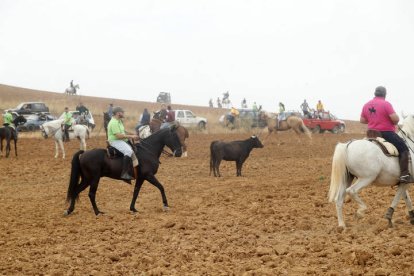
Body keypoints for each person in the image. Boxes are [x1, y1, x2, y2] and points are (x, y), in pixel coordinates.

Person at [360, 86, 412, 184]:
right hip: (385, 133)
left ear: (375, 93)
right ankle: (405, 175)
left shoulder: (366, 105)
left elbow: (362, 120)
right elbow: (395, 119)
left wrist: (373, 120)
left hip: (371, 133)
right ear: (385, 94)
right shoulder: (386, 104)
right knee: (404, 148)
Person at [107, 106, 139, 181]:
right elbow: (118, 136)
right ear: (118, 113)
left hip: (121, 140)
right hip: (115, 141)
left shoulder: (119, 121)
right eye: (122, 112)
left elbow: (123, 132)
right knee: (128, 151)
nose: (123, 113)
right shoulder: (114, 122)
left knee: (133, 147)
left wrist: (132, 134)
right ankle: (124, 173)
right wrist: (131, 136)